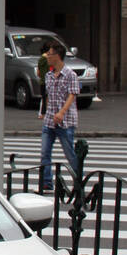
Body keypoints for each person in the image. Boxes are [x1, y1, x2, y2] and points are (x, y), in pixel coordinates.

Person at [39, 40, 80, 191]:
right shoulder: (49, 75)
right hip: (50, 121)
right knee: (44, 152)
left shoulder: (70, 74)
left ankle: (78, 181)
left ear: (57, 56)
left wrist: (62, 112)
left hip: (66, 121)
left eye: (49, 54)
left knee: (70, 154)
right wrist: (45, 112)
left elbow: (72, 94)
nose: (47, 57)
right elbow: (48, 95)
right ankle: (46, 182)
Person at [36, 40, 51, 117]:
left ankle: (41, 113)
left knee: (43, 98)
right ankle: (43, 114)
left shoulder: (40, 59)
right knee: (46, 98)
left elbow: (38, 73)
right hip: (48, 81)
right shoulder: (48, 59)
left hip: (42, 81)